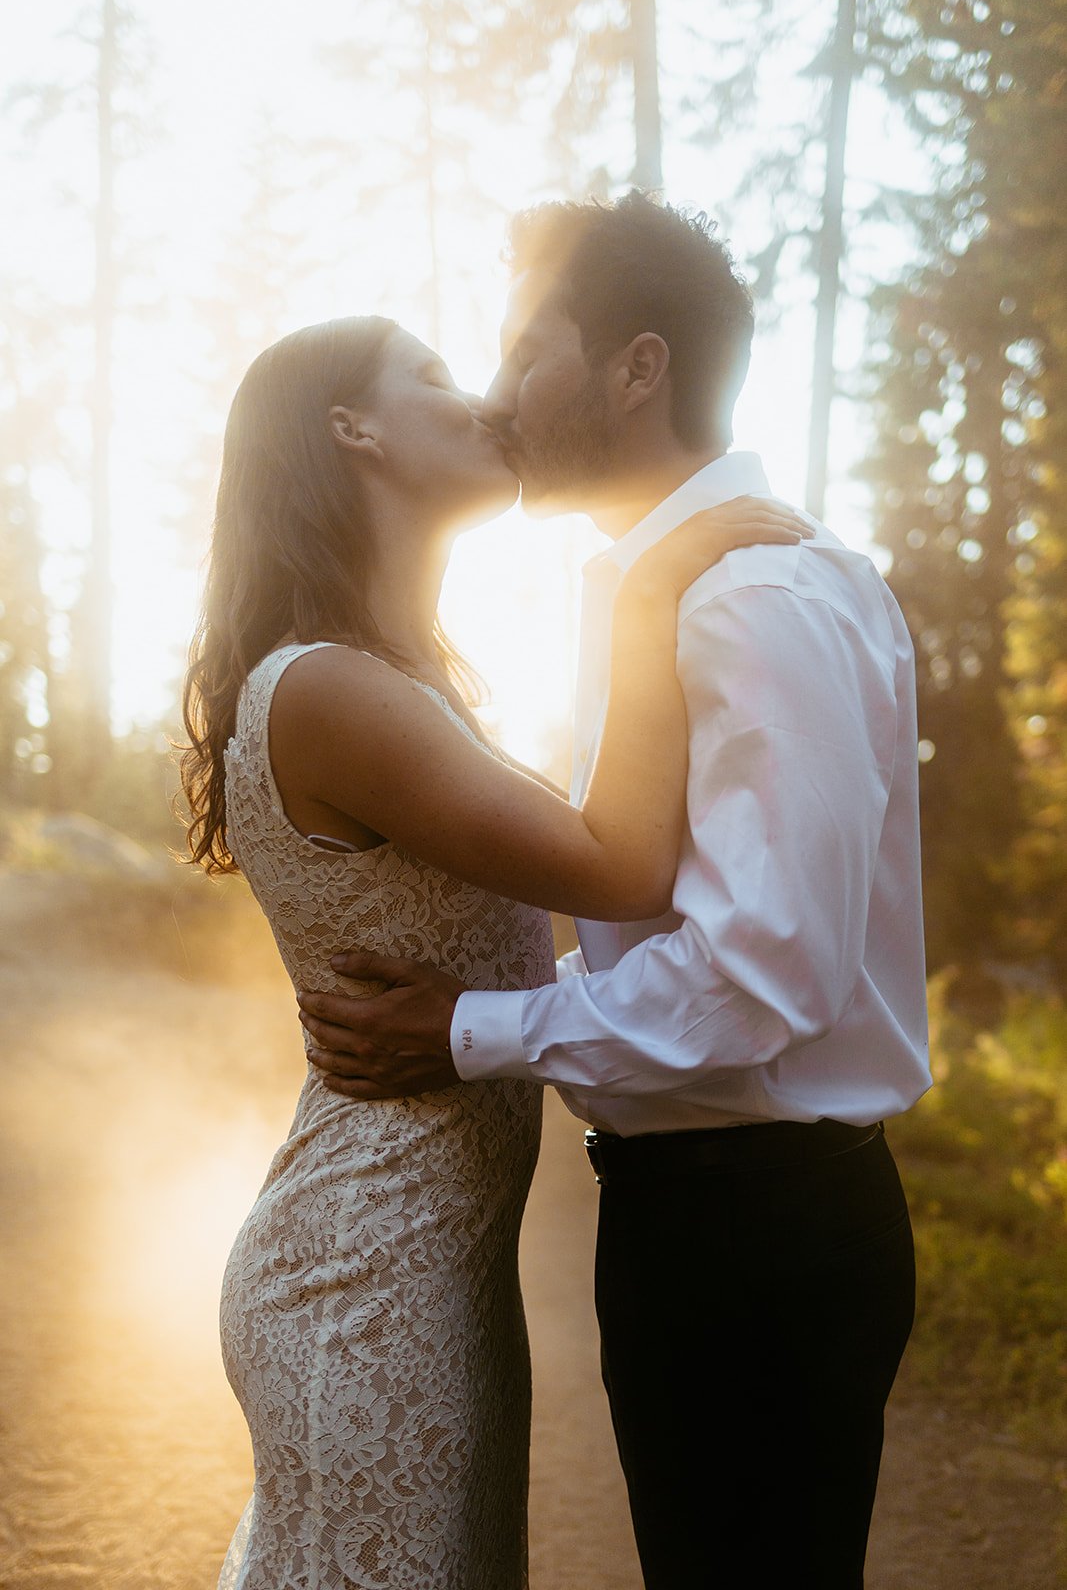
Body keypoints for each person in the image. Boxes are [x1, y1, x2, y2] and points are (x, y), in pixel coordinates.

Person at [297, 192, 933, 1589]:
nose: (498, 392)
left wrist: (470, 1029)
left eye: (529, 347)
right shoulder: (661, 592)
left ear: (634, 368)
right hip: (702, 1212)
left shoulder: (749, 597)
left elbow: (760, 973)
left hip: (754, 1225)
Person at [180, 309, 810, 1590]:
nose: (479, 400)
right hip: (368, 1270)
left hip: (426, 1266)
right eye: (431, 375)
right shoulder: (332, 690)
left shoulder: (397, 681)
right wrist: (651, 587)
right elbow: (619, 866)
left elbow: (535, 951)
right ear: (350, 431)